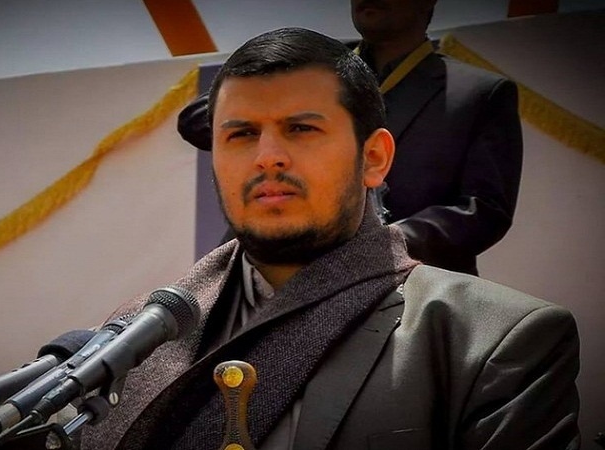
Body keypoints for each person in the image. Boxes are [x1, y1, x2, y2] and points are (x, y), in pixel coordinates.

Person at [77, 28, 578, 450]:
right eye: (241, 134)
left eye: (300, 128)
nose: (267, 157)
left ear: (374, 158)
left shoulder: (491, 343)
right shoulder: (135, 336)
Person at [177, 0, 523, 275]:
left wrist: (376, 244)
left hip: (409, 284)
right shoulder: (316, 70)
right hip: (267, 274)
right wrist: (305, 86)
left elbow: (483, 209)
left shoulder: (479, 93)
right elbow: (193, 122)